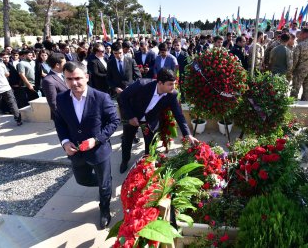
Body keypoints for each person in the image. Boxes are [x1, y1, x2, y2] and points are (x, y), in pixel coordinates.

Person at [54, 61, 120, 229]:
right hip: (76, 152)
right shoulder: (61, 99)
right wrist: (65, 142)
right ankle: (105, 183)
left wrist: (96, 139)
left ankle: (104, 209)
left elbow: (114, 121)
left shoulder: (101, 97)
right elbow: (60, 123)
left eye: (77, 78)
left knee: (104, 185)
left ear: (87, 77)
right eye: (69, 79)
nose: (74, 83)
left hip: (98, 151)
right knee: (82, 180)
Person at [118, 68, 198, 173]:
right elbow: (122, 97)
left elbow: (179, 114)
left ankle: (147, 165)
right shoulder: (142, 85)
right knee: (127, 141)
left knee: (150, 145)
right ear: (160, 83)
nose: (173, 87)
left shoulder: (172, 94)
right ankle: (125, 161)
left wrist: (188, 134)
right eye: (170, 84)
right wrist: (130, 116)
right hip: (133, 117)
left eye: (174, 83)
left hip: (151, 121)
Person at [41, 53, 68, 120]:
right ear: (57, 65)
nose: (66, 65)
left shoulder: (65, 74)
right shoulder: (48, 81)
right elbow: (53, 103)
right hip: (63, 116)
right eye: (64, 63)